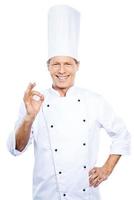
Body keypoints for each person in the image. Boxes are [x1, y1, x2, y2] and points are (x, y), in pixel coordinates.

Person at [7, 5, 130, 200]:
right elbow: (16, 149)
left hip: (85, 195)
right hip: (46, 195)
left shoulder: (93, 101)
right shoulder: (35, 101)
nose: (62, 70)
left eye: (67, 64)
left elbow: (122, 134)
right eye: (56, 63)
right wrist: (29, 117)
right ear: (48, 66)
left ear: (77, 66)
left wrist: (107, 169)